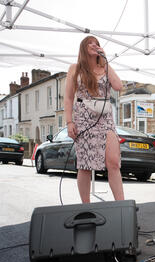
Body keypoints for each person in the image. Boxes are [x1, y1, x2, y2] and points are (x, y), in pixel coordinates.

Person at [64, 36, 124, 203]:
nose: (94, 45)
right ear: (83, 48)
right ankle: (86, 207)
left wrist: (105, 61)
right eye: (90, 43)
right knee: (84, 165)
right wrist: (69, 122)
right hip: (83, 118)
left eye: (96, 43)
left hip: (105, 119)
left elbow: (118, 86)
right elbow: (68, 98)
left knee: (113, 162)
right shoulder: (75, 68)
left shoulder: (104, 68)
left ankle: (122, 207)